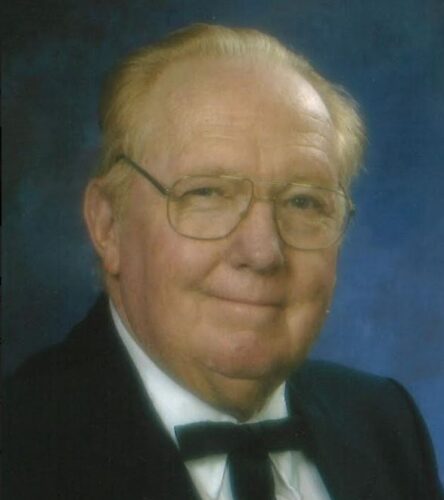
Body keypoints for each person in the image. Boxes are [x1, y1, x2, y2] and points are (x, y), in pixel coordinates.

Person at [4, 23, 443, 500]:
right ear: (108, 224)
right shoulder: (18, 447)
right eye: (207, 193)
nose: (262, 252)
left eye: (303, 202)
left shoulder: (384, 423)